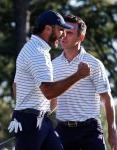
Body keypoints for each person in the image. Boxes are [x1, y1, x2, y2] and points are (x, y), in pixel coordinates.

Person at [8, 10, 90, 150]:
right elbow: (49, 91)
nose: (63, 35)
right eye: (60, 30)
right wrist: (78, 75)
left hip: (39, 120)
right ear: (47, 29)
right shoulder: (37, 53)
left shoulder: (35, 49)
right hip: (30, 122)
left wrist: (37, 109)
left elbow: (16, 85)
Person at [52, 14, 117, 150]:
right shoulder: (52, 65)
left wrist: (112, 131)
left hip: (90, 131)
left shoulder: (94, 64)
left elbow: (107, 99)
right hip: (63, 131)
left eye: (69, 33)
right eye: (63, 31)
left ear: (81, 37)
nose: (64, 36)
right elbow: (53, 101)